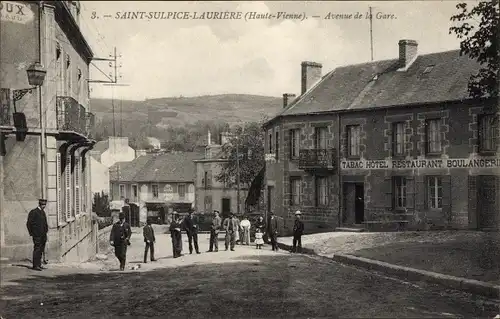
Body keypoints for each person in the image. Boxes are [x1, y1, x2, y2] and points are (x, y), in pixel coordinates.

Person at [26, 199, 49, 271]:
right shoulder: (34, 212)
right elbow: (29, 223)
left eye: (45, 205)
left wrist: (46, 231)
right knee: (37, 249)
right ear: (39, 204)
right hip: (37, 235)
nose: (44, 206)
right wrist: (32, 233)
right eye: (42, 205)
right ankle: (35, 265)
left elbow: (45, 223)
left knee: (41, 249)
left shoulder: (43, 212)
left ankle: (39, 264)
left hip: (43, 235)